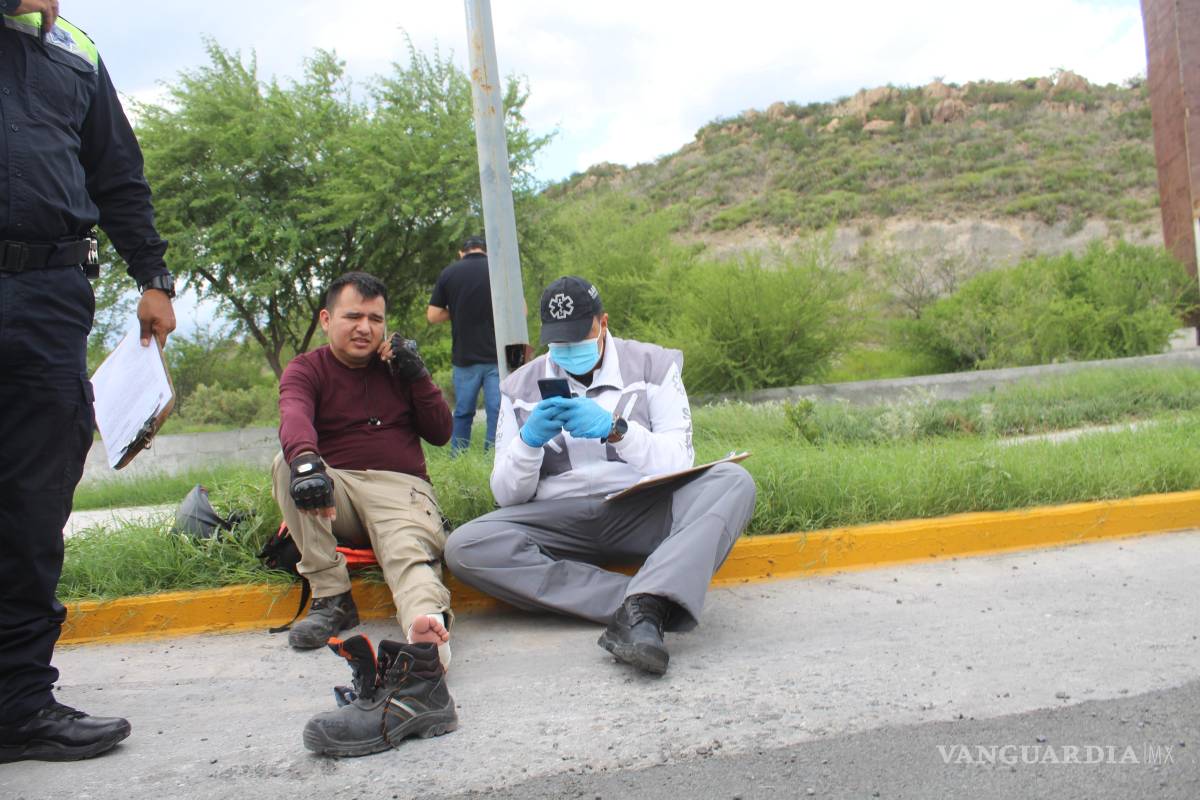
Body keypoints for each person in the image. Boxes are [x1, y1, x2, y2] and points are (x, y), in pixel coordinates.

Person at [0, 2, 177, 763]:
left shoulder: (73, 50)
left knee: (32, 510)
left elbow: (117, 170)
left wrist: (154, 273)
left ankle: (18, 705)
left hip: (46, 298)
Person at [444, 276, 756, 675]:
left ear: (603, 323)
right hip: (558, 518)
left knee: (732, 482)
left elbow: (679, 462)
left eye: (579, 337)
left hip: (640, 508)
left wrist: (618, 431)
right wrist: (528, 442)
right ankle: (647, 604)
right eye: (559, 342)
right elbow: (507, 496)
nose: (569, 350)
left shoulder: (654, 365)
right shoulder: (517, 388)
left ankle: (645, 605)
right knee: (467, 546)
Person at [273, 272, 455, 668]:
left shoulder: (398, 368)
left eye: (375, 319)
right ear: (326, 319)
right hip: (337, 493)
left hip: (401, 490)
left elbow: (441, 433)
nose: (365, 328)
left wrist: (418, 375)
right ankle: (331, 598)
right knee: (290, 466)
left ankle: (427, 634)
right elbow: (294, 415)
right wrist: (305, 459)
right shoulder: (306, 369)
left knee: (408, 553)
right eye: (353, 316)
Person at [427, 235, 499, 454]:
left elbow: (432, 315)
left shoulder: (449, 273)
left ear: (461, 253)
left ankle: (458, 455)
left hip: (464, 356)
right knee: (496, 411)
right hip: (497, 357)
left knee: (463, 412)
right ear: (485, 251)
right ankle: (495, 457)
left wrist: (457, 311)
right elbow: (521, 310)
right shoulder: (498, 269)